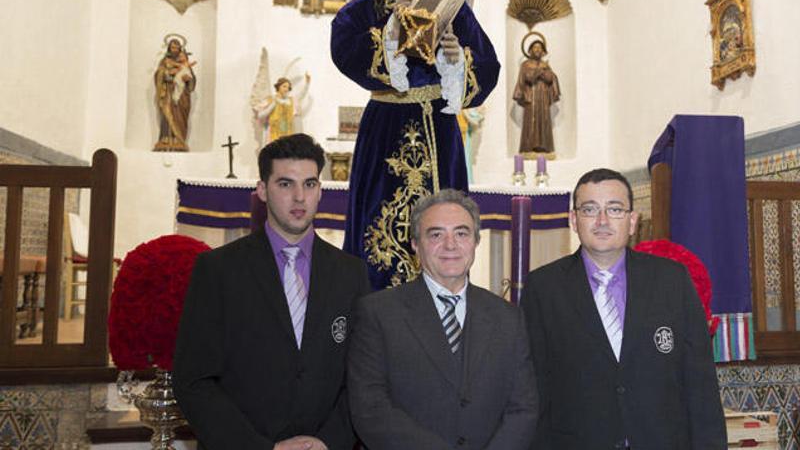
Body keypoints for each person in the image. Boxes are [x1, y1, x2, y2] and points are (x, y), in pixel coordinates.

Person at [173, 134, 372, 450]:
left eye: (309, 184)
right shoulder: (218, 269)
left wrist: (328, 441)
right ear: (263, 190)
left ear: (320, 190)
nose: (299, 198)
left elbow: (363, 377)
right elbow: (194, 380)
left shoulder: (351, 273)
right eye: (285, 184)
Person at [520, 168, 727, 449]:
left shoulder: (672, 280)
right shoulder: (543, 288)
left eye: (615, 210)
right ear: (573, 220)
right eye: (590, 209)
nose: (602, 220)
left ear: (632, 221)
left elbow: (700, 383)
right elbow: (534, 389)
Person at [331, 0, 499, 290]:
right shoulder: (362, 12)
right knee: (376, 230)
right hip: (385, 130)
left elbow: (488, 67)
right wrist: (392, 30)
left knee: (444, 225)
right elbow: (344, 51)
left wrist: (456, 61)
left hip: (439, 131)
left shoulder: (452, 6)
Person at [347, 189, 538, 449]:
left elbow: (523, 408)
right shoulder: (378, 313)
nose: (450, 245)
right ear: (415, 243)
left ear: (475, 242)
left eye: (461, 233)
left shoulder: (508, 317)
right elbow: (370, 409)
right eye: (436, 234)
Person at [513, 38, 559, 156]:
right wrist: (539, 71)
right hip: (531, 96)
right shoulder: (526, 64)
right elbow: (529, 78)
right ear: (530, 50)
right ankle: (529, 147)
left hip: (543, 96)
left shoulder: (545, 65)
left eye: (540, 47)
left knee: (543, 119)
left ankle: (544, 147)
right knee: (530, 120)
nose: (538, 49)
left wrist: (543, 72)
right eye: (535, 47)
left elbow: (550, 78)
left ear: (543, 51)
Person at [154, 38, 196, 152]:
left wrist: (188, 80)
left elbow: (192, 82)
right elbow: (158, 74)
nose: (175, 50)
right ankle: (165, 139)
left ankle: (179, 140)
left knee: (180, 116)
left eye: (177, 48)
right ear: (169, 48)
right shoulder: (165, 61)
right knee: (167, 116)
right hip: (167, 93)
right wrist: (166, 74)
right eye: (173, 47)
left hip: (182, 96)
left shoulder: (184, 63)